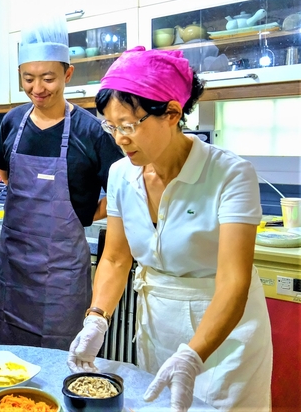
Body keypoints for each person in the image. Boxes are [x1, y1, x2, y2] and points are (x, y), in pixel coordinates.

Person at [66, 46, 273, 411]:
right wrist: (96, 319)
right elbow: (115, 259)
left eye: (129, 126)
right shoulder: (121, 175)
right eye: (111, 126)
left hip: (225, 340)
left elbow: (233, 282)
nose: (119, 139)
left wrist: (194, 356)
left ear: (172, 114)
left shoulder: (230, 174)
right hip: (158, 328)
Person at [0, 12, 123, 350]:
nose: (37, 89)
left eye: (48, 78)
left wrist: (86, 214)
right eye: (28, 78)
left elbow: (124, 191)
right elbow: (5, 173)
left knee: (61, 359)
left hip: (62, 274)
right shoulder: (12, 121)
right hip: (14, 270)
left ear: (68, 73)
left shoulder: (90, 130)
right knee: (7, 358)